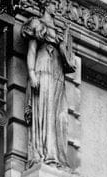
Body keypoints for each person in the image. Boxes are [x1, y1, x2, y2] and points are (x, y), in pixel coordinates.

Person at [23, 1, 75, 167]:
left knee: (59, 114)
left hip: (57, 73)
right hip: (43, 68)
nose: (56, 6)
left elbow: (69, 61)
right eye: (53, 3)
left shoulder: (59, 31)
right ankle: (45, 153)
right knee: (45, 111)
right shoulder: (37, 24)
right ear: (45, 5)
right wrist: (31, 74)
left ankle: (57, 155)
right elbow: (31, 50)